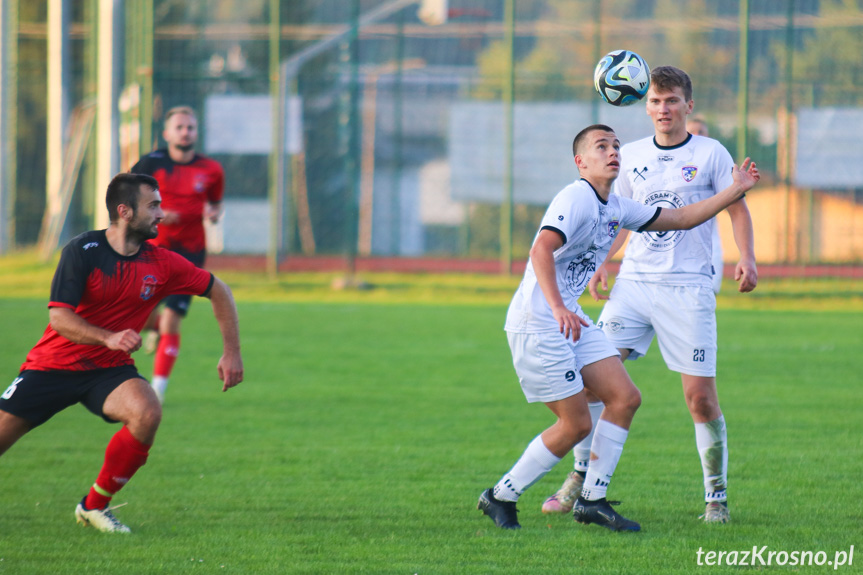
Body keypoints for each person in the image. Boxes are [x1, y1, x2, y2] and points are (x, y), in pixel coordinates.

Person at [477, 124, 759, 532]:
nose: (612, 152)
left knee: (624, 397)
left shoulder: (617, 206)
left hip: (570, 318)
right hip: (538, 324)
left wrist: (735, 190)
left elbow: (679, 218)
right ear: (581, 162)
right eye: (601, 146)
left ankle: (593, 500)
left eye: (616, 145)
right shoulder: (575, 197)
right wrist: (557, 306)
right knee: (575, 424)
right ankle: (501, 495)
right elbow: (541, 248)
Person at [542, 67, 758, 525]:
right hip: (635, 285)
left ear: (688, 105)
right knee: (591, 382)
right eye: (656, 102)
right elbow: (618, 218)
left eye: (672, 101)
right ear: (645, 105)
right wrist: (605, 260)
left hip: (690, 287)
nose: (663, 109)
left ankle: (715, 496)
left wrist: (748, 257)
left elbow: (736, 206)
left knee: (699, 398)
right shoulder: (631, 155)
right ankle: (580, 480)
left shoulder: (710, 153)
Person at [0, 172, 243, 533]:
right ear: (125, 211)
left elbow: (218, 290)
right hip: (52, 365)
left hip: (108, 369)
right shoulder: (83, 251)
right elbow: (60, 317)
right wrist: (107, 337)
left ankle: (94, 506)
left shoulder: (162, 262)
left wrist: (232, 352)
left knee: (147, 412)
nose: (161, 214)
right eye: (154, 205)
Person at [131, 106, 225, 403]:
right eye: (180, 127)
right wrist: (156, 213)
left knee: (172, 317)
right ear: (167, 133)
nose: (186, 132)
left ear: (196, 133)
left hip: (190, 253)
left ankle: (157, 389)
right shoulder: (151, 163)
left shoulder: (211, 169)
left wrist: (213, 213)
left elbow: (215, 204)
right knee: (139, 317)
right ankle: (154, 328)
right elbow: (128, 197)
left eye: (190, 128)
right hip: (152, 249)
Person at [686, 115, 725, 295]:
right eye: (691, 132)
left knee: (706, 298)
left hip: (707, 243)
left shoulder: (716, 163)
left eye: (701, 132)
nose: (696, 135)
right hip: (671, 248)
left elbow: (735, 205)